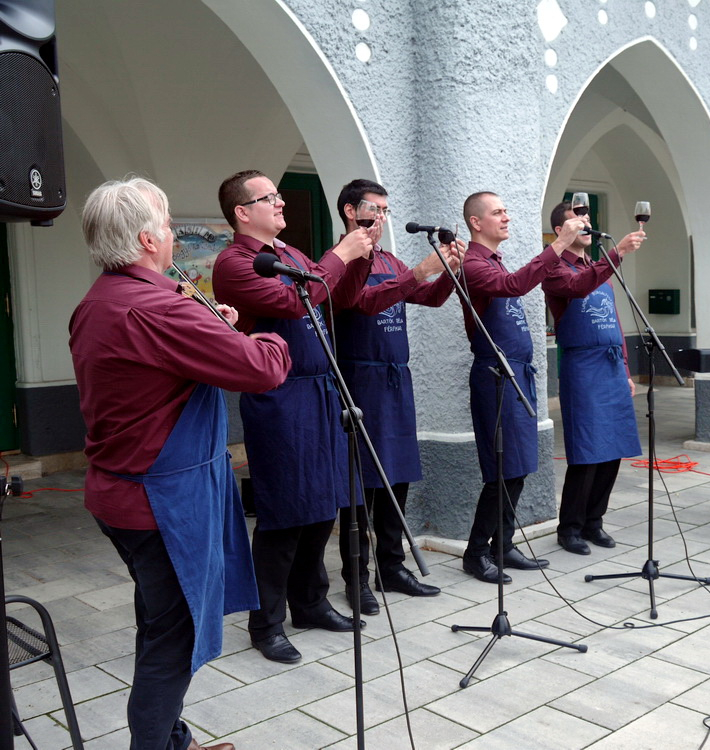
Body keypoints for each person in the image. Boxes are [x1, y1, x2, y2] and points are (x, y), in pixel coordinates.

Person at [69, 177, 291, 749]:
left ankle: (176, 739)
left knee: (160, 619)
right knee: (172, 640)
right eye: (167, 227)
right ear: (147, 240)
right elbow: (263, 368)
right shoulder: (157, 308)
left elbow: (154, 369)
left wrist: (207, 327)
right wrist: (269, 338)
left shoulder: (98, 300)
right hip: (159, 501)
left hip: (119, 492)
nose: (171, 236)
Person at [212, 170, 373, 664]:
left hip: (321, 390)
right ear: (243, 212)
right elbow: (285, 301)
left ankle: (311, 602)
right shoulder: (235, 262)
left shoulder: (295, 256)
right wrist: (341, 253)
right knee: (285, 512)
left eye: (280, 195)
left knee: (323, 504)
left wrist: (360, 258)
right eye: (270, 198)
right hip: (280, 395)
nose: (281, 203)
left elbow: (340, 298)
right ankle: (266, 623)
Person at [332, 178, 465, 614]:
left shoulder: (389, 258)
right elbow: (364, 302)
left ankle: (392, 566)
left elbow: (426, 297)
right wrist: (420, 271)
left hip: (395, 380)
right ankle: (357, 577)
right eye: (375, 208)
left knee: (396, 478)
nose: (383, 217)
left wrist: (448, 271)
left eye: (387, 209)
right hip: (360, 379)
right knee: (361, 485)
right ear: (351, 211)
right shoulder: (340, 261)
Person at [459, 191, 587, 583]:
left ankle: (503, 543)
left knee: (517, 467)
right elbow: (514, 285)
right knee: (502, 468)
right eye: (498, 212)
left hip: (517, 376)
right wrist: (560, 243)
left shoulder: (494, 261)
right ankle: (476, 551)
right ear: (476, 222)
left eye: (507, 211)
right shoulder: (473, 264)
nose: (507, 217)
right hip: (496, 376)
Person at [542, 201, 646, 555]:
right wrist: (616, 254)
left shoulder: (594, 266)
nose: (586, 224)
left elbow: (614, 322)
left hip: (611, 365)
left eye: (587, 219)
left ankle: (594, 520)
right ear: (560, 231)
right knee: (587, 450)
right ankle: (569, 527)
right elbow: (578, 287)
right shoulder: (556, 269)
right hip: (582, 367)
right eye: (577, 220)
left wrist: (626, 369)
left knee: (613, 447)